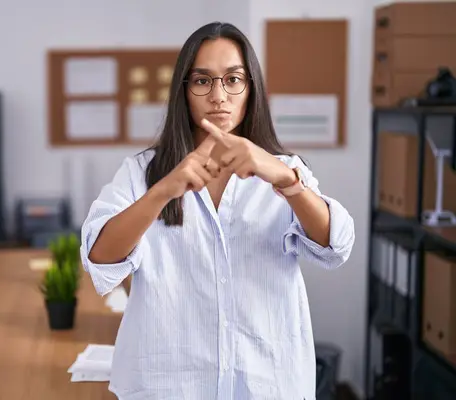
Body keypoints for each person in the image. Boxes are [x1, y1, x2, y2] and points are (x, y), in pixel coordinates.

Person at [80, 21, 355, 400]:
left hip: (266, 383)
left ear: (250, 87)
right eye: (202, 81)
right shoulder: (142, 172)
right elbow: (99, 258)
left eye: (233, 79)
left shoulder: (284, 168)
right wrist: (165, 189)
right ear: (184, 90)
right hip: (169, 385)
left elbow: (336, 245)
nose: (219, 95)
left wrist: (285, 178)